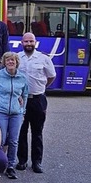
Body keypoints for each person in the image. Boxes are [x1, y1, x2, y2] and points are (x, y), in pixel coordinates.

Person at [0, 52, 28, 180]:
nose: (10, 62)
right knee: (0, 141)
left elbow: (25, 94)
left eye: (13, 60)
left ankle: (10, 167)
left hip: (16, 113)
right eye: (8, 60)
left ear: (16, 62)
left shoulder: (22, 77)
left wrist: (22, 110)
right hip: (0, 111)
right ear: (4, 62)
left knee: (14, 140)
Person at [17, 32, 56, 174]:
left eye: (31, 41)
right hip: (20, 100)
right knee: (21, 132)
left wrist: (41, 87)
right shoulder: (17, 58)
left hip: (38, 99)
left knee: (37, 132)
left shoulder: (43, 58)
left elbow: (51, 76)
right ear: (22, 43)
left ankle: (37, 162)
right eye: (26, 41)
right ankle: (21, 161)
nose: (28, 44)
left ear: (35, 42)